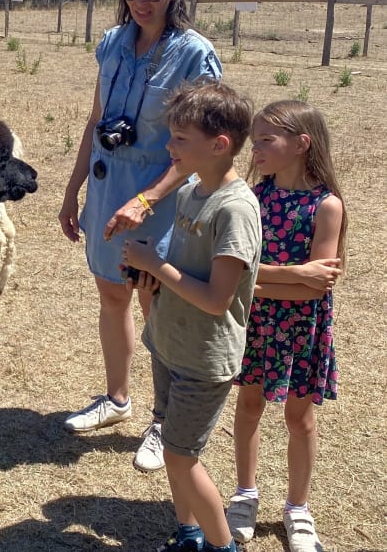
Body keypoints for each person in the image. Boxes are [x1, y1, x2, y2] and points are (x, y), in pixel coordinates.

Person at [58, 0, 222, 472]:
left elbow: (203, 145)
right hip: (109, 191)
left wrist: (148, 197)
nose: (141, 1)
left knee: (158, 303)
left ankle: (163, 419)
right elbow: (95, 120)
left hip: (159, 197)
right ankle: (116, 398)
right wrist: (73, 189)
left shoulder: (195, 54)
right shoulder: (111, 43)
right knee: (112, 294)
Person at [123, 80, 260, 552]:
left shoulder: (236, 209)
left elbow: (218, 299)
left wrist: (154, 265)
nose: (169, 145)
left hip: (204, 357)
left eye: (180, 138)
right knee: (175, 446)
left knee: (181, 458)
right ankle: (189, 535)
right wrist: (150, 279)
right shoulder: (190, 192)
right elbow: (185, 272)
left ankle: (224, 548)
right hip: (169, 342)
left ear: (219, 145)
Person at [225, 100, 346, 552]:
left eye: (265, 140)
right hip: (255, 325)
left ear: (301, 144)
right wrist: (293, 273)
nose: (254, 148)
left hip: (301, 329)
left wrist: (256, 280)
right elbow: (237, 271)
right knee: (249, 405)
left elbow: (315, 290)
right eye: (254, 140)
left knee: (300, 416)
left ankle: (297, 507)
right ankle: (245, 494)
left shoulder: (327, 206)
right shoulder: (254, 198)